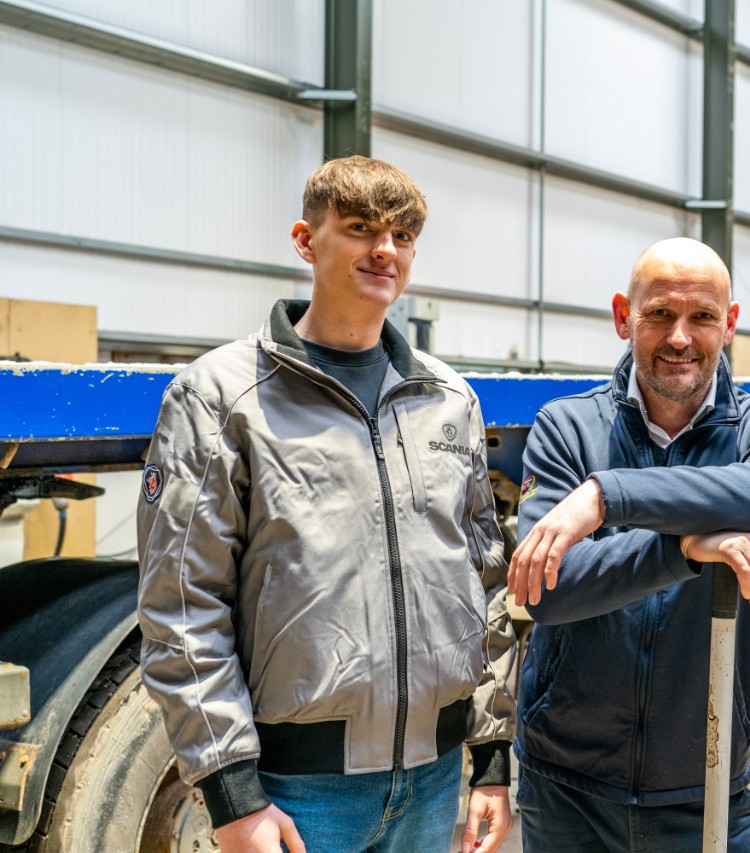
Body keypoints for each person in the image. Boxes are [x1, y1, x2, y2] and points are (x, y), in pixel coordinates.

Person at [137, 156, 514, 853]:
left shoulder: (447, 398)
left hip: (433, 783)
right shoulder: (221, 396)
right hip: (298, 793)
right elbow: (182, 603)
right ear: (306, 241)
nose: (385, 250)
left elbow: (484, 580)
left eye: (403, 236)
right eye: (361, 228)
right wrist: (234, 795)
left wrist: (491, 760)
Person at [506, 237, 750, 851]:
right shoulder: (567, 427)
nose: (680, 338)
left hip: (705, 781)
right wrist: (684, 548)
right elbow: (548, 588)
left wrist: (607, 495)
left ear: (728, 325)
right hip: (568, 788)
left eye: (702, 317)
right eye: (659, 315)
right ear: (625, 317)